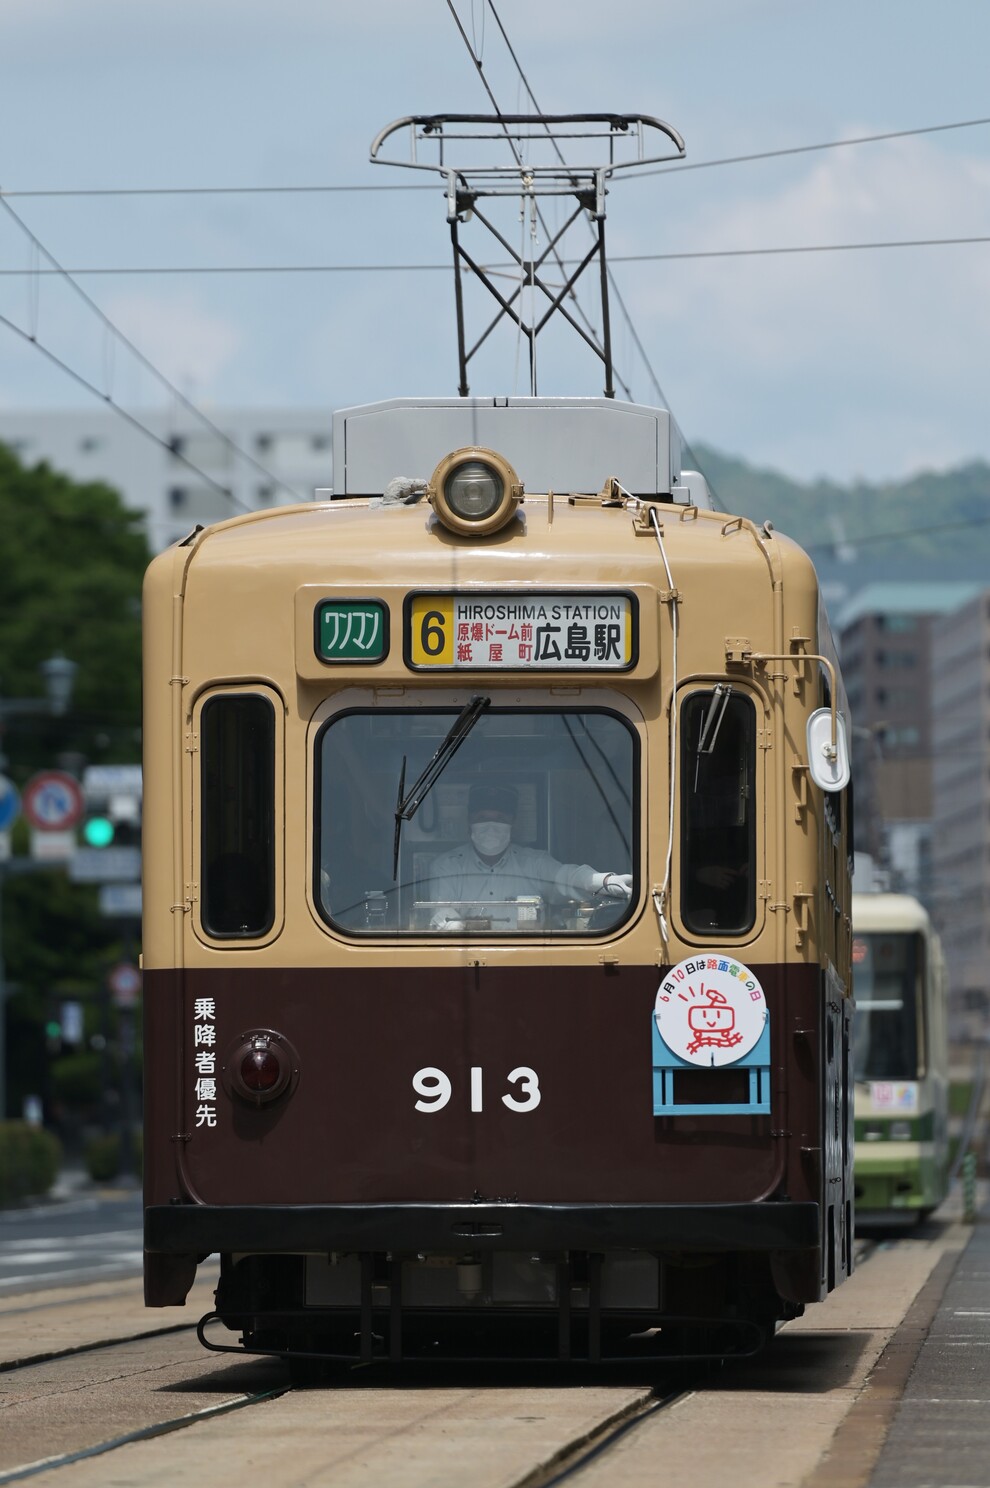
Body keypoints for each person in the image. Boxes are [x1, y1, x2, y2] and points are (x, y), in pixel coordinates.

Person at [426, 783, 632, 930]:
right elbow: (442, 910)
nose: (490, 826)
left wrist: (603, 881)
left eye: (500, 818)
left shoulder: (534, 863)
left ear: (513, 823)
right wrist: (454, 926)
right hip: (467, 957)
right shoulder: (447, 866)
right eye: (482, 818)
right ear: (469, 821)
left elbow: (566, 877)